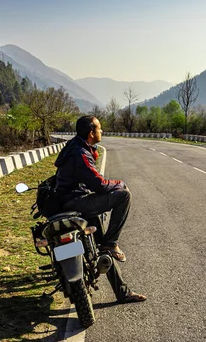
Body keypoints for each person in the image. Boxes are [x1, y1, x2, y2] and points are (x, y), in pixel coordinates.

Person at [54, 115, 146, 303]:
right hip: (77, 202)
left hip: (69, 200)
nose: (101, 131)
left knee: (100, 244)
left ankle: (122, 292)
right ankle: (111, 243)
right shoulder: (80, 153)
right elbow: (99, 185)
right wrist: (119, 184)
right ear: (91, 132)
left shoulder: (75, 147)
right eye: (99, 128)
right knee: (124, 195)